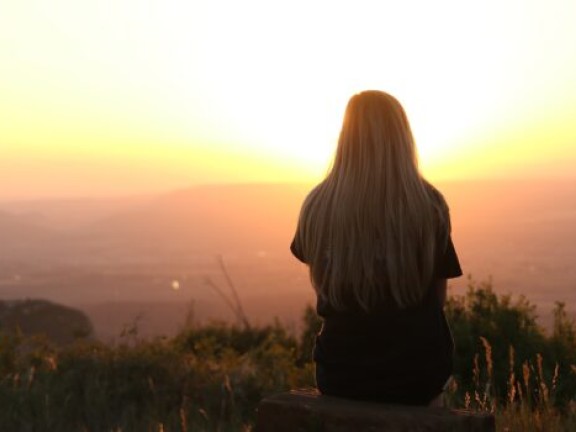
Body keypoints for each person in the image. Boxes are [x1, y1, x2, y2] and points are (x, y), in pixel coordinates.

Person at [290, 90, 462, 405]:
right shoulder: (430, 205)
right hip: (417, 375)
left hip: (341, 374)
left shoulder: (316, 205)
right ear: (402, 138)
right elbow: (437, 302)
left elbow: (324, 286)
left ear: (345, 137)